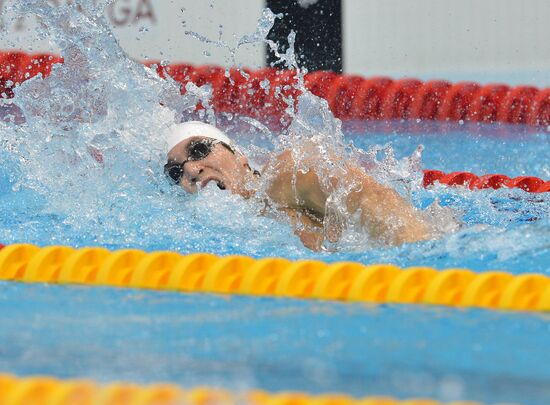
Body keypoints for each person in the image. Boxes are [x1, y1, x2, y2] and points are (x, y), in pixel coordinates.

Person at [164, 121, 430, 251]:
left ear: (239, 156)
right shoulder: (221, 233)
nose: (190, 169)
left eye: (200, 149)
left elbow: (371, 198)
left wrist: (420, 260)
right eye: (176, 172)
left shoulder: (288, 174)